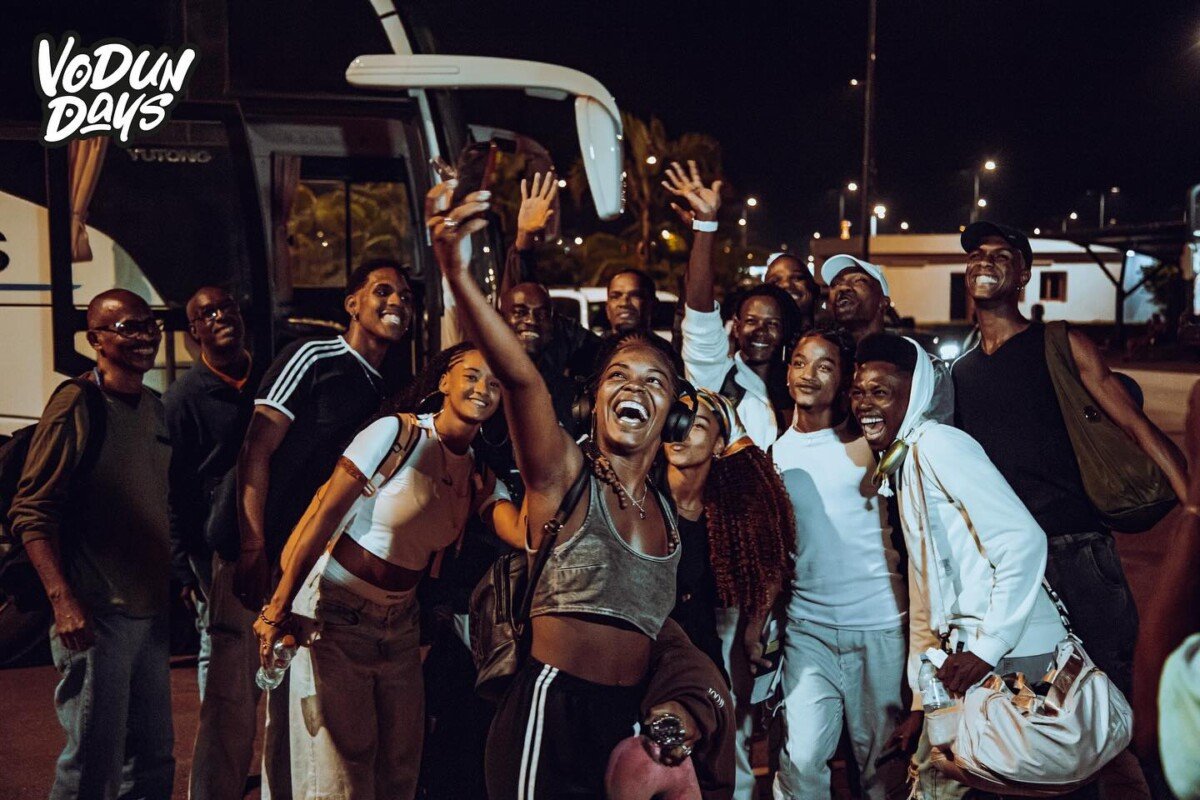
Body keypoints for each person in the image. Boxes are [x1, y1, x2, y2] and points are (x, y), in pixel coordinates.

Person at [429, 182, 715, 797]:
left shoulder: (668, 512)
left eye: (655, 381)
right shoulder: (564, 472)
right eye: (618, 376)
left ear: (674, 415)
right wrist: (456, 271)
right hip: (549, 711)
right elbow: (521, 379)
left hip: (627, 725)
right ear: (593, 400)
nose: (634, 387)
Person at [254, 342, 518, 800]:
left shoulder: (478, 471)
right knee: (341, 775)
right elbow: (324, 517)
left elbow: (523, 532)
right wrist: (279, 607)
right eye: (472, 375)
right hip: (335, 614)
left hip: (400, 627)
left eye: (495, 384)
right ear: (444, 381)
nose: (483, 389)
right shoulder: (396, 433)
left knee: (399, 771)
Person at [951, 221, 1189, 701]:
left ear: (1023, 276)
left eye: (1001, 256)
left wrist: (1192, 504)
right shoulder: (960, 372)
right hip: (1006, 562)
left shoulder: (1059, 343)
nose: (985, 262)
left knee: (1115, 684)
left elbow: (1133, 424)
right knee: (1033, 698)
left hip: (1074, 547)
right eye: (976, 255)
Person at [850, 332, 1068, 798]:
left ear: (915, 392)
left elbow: (1023, 539)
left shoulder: (940, 444)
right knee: (943, 783)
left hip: (1011, 654)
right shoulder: (907, 460)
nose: (865, 403)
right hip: (970, 655)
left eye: (880, 391)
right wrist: (919, 704)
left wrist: (988, 650)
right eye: (858, 391)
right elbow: (926, 592)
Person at [234, 258, 414, 798]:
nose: (397, 303)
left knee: (298, 706)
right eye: (383, 291)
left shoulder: (391, 386)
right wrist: (253, 546)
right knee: (242, 703)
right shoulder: (315, 357)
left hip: (316, 561)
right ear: (352, 304)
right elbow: (255, 449)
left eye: (406, 297)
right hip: (267, 551)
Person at [10, 289, 174, 799]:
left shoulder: (155, 408)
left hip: (151, 614)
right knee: (92, 766)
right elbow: (32, 510)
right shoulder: (77, 404)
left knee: (152, 761)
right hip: (98, 615)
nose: (144, 336)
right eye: (128, 327)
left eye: (149, 325)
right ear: (95, 340)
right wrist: (63, 600)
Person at [771, 327, 907, 800]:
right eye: (800, 362)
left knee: (881, 772)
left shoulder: (873, 443)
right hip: (808, 630)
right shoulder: (775, 453)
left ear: (845, 377)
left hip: (880, 629)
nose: (808, 374)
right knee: (801, 763)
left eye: (824, 365)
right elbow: (779, 550)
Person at [163, 287, 264, 799]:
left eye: (227, 308)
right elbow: (172, 488)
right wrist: (183, 567)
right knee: (222, 648)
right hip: (215, 547)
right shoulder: (183, 399)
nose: (221, 316)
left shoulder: (268, 377)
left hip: (272, 534)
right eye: (208, 313)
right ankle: (221, 769)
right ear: (194, 332)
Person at [665, 160, 799, 449]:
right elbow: (699, 311)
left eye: (772, 324)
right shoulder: (716, 374)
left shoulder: (799, 386)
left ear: (784, 332)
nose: (760, 330)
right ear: (736, 327)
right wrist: (705, 225)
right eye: (751, 321)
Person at [664, 387, 796, 681]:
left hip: (698, 658)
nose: (682, 431)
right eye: (678, 420)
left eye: (698, 425)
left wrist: (752, 633)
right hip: (638, 657)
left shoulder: (726, 516)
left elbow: (770, 569)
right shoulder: (641, 498)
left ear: (719, 443)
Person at [821, 253, 954, 425]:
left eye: (859, 281)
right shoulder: (823, 365)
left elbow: (935, 433)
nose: (843, 288)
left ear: (883, 302)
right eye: (835, 284)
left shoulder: (924, 369)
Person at [764, 253, 820, 330]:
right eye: (775, 281)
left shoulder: (831, 334)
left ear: (813, 287)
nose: (786, 284)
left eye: (797, 278)